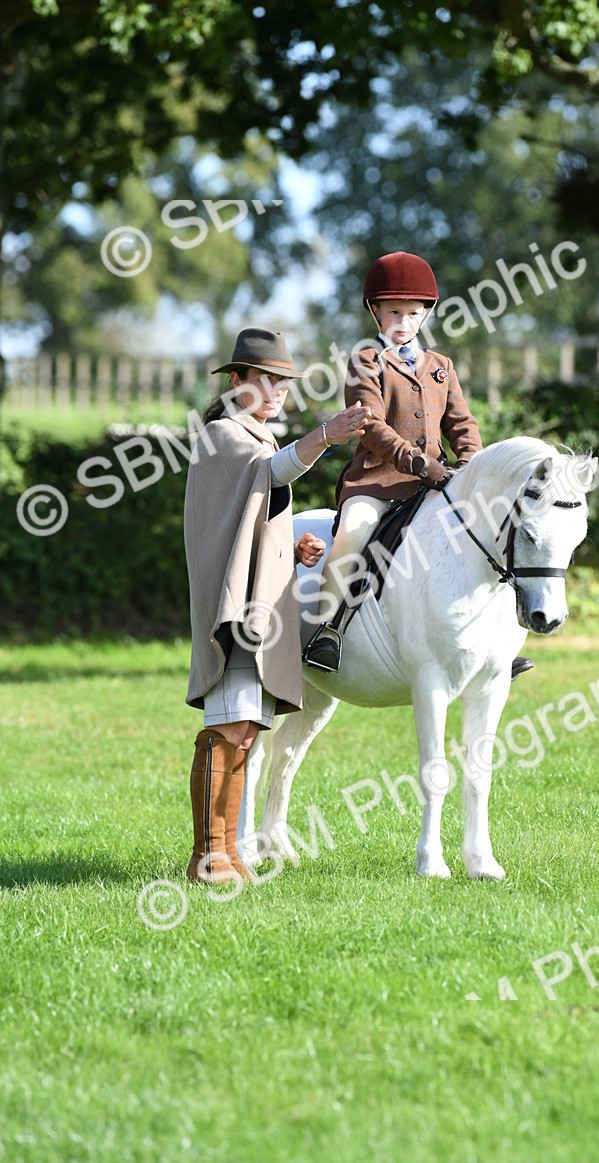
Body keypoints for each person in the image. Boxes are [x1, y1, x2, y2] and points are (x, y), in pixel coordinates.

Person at [183, 328, 370, 884]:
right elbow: (272, 474)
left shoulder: (251, 435)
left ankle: (226, 854)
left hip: (254, 600)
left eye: (281, 384)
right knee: (230, 728)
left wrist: (290, 547)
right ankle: (211, 858)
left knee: (244, 729)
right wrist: (327, 436)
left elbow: (240, 527)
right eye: (261, 380)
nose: (273, 393)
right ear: (235, 381)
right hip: (235, 607)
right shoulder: (224, 434)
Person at [303, 250, 484, 673]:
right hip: (377, 483)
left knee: (490, 531)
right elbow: (370, 427)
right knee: (352, 533)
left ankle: (491, 642)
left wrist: (472, 464)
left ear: (425, 314)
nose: (404, 322)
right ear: (376, 313)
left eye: (412, 313)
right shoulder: (365, 362)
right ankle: (326, 630)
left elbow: (462, 422)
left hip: (437, 483)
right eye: (394, 312)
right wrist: (420, 463)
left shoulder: (441, 366)